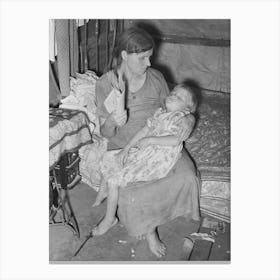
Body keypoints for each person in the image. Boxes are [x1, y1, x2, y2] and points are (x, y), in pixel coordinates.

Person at [92, 84, 197, 258]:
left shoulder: (180, 118)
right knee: (110, 157)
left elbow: (175, 139)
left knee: (114, 180)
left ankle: (110, 219)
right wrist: (126, 149)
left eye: (178, 97)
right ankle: (104, 191)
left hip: (157, 159)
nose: (172, 96)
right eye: (173, 93)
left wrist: (151, 140)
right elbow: (144, 131)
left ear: (187, 109)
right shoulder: (160, 112)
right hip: (145, 150)